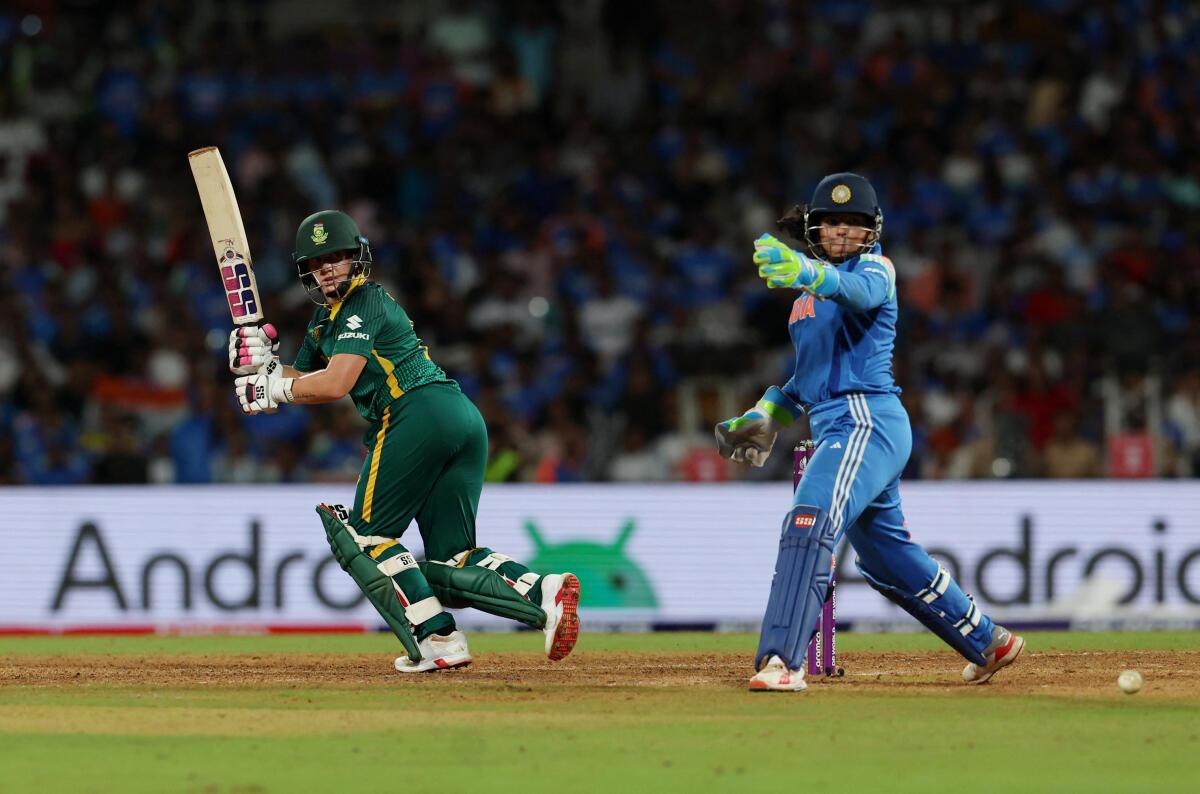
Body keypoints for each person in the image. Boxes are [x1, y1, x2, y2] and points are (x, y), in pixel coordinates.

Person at [228, 210, 581, 672]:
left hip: (414, 413)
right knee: (453, 560)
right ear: (306, 271)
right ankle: (543, 590)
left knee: (365, 536)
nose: (328, 268)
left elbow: (334, 384)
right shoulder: (323, 323)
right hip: (460, 418)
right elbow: (300, 382)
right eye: (318, 262)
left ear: (358, 259)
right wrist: (261, 365)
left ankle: (438, 640)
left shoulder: (364, 301)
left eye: (337, 257)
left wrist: (274, 387)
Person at [715, 174, 1024, 691]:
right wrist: (768, 414)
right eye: (832, 222)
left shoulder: (876, 268)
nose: (842, 232)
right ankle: (988, 640)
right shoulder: (801, 305)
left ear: (872, 230)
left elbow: (857, 294)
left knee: (807, 521)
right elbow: (808, 380)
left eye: (853, 223)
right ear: (815, 228)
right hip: (843, 423)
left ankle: (781, 661)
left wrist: (806, 270)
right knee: (884, 558)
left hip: (865, 419)